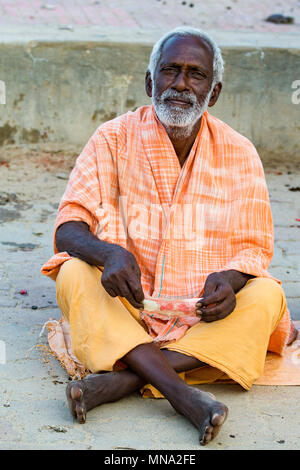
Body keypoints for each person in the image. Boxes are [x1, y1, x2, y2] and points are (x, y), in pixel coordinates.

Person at [41, 27, 292, 446]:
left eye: (195, 75)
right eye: (170, 71)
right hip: (127, 304)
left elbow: (254, 247)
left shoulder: (240, 151)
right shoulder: (112, 138)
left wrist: (231, 282)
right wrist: (110, 254)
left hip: (201, 313)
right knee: (72, 275)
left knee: (267, 297)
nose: (180, 84)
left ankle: (123, 379)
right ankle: (183, 394)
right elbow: (69, 226)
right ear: (149, 81)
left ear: (212, 93)